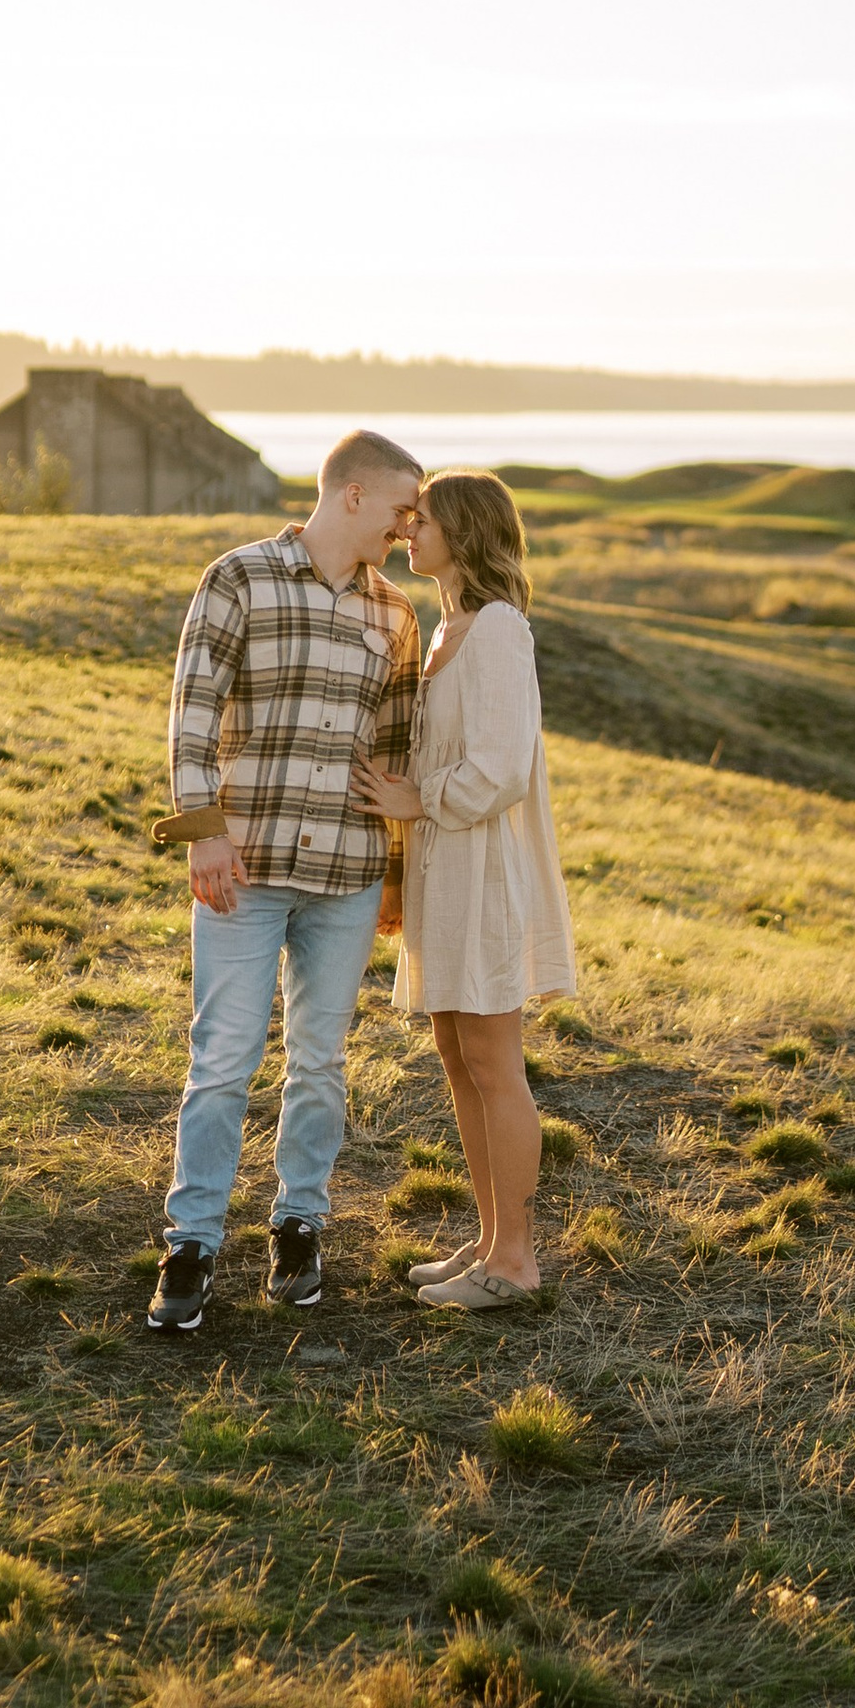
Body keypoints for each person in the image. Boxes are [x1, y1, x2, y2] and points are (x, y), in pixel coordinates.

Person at [143, 429, 424, 1333]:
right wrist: (202, 834)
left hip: (345, 873)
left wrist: (394, 874)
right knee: (222, 1059)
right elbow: (193, 712)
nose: (407, 526)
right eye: (399, 509)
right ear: (351, 496)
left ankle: (299, 1224)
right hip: (246, 867)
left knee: (321, 1064)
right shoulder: (239, 578)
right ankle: (191, 1242)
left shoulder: (396, 615)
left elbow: (392, 751)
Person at [351, 467, 576, 1309]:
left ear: (465, 531)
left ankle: (516, 1262)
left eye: (424, 519)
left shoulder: (499, 631)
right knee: (457, 1056)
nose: (409, 530)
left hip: (481, 868)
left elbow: (501, 768)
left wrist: (420, 798)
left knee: (493, 1059)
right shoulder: (446, 629)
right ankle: (487, 1242)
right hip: (443, 867)